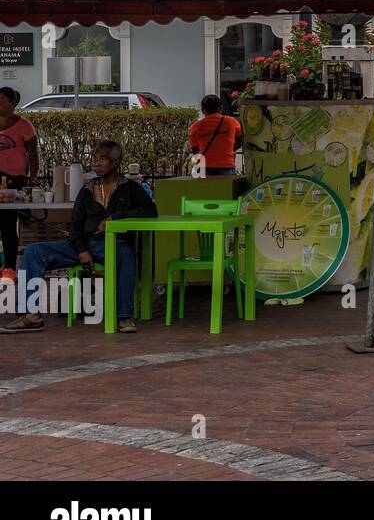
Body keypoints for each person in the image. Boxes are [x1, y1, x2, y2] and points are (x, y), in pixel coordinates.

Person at [2, 139, 158, 334]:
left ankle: (124, 316)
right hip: (82, 245)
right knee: (34, 251)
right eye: (95, 158)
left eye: (103, 159)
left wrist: (117, 217)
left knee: (126, 252)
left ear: (116, 162)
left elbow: (150, 211)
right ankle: (30, 315)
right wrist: (82, 250)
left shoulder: (130, 188)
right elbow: (75, 227)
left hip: (113, 245)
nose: (97, 163)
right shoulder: (87, 190)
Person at [0, 86, 38, 279]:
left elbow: (32, 152)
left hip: (14, 179)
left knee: (7, 223)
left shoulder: (24, 125)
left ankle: (9, 267)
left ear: (12, 104)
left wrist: (33, 176)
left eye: (1, 101)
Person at [188, 94, 243, 176]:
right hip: (226, 166)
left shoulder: (195, 127)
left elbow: (195, 151)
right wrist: (229, 150)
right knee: (226, 189)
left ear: (203, 110)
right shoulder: (231, 121)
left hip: (204, 168)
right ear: (220, 108)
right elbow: (240, 140)